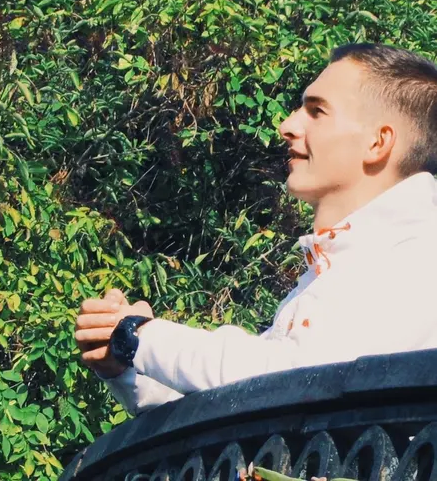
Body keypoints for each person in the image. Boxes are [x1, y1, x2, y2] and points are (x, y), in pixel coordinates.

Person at [75, 43, 437, 416]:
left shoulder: (419, 259)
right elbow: (241, 407)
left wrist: (142, 336)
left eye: (317, 111)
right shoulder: (350, 265)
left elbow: (297, 380)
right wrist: (124, 366)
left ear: (378, 142)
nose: (287, 126)